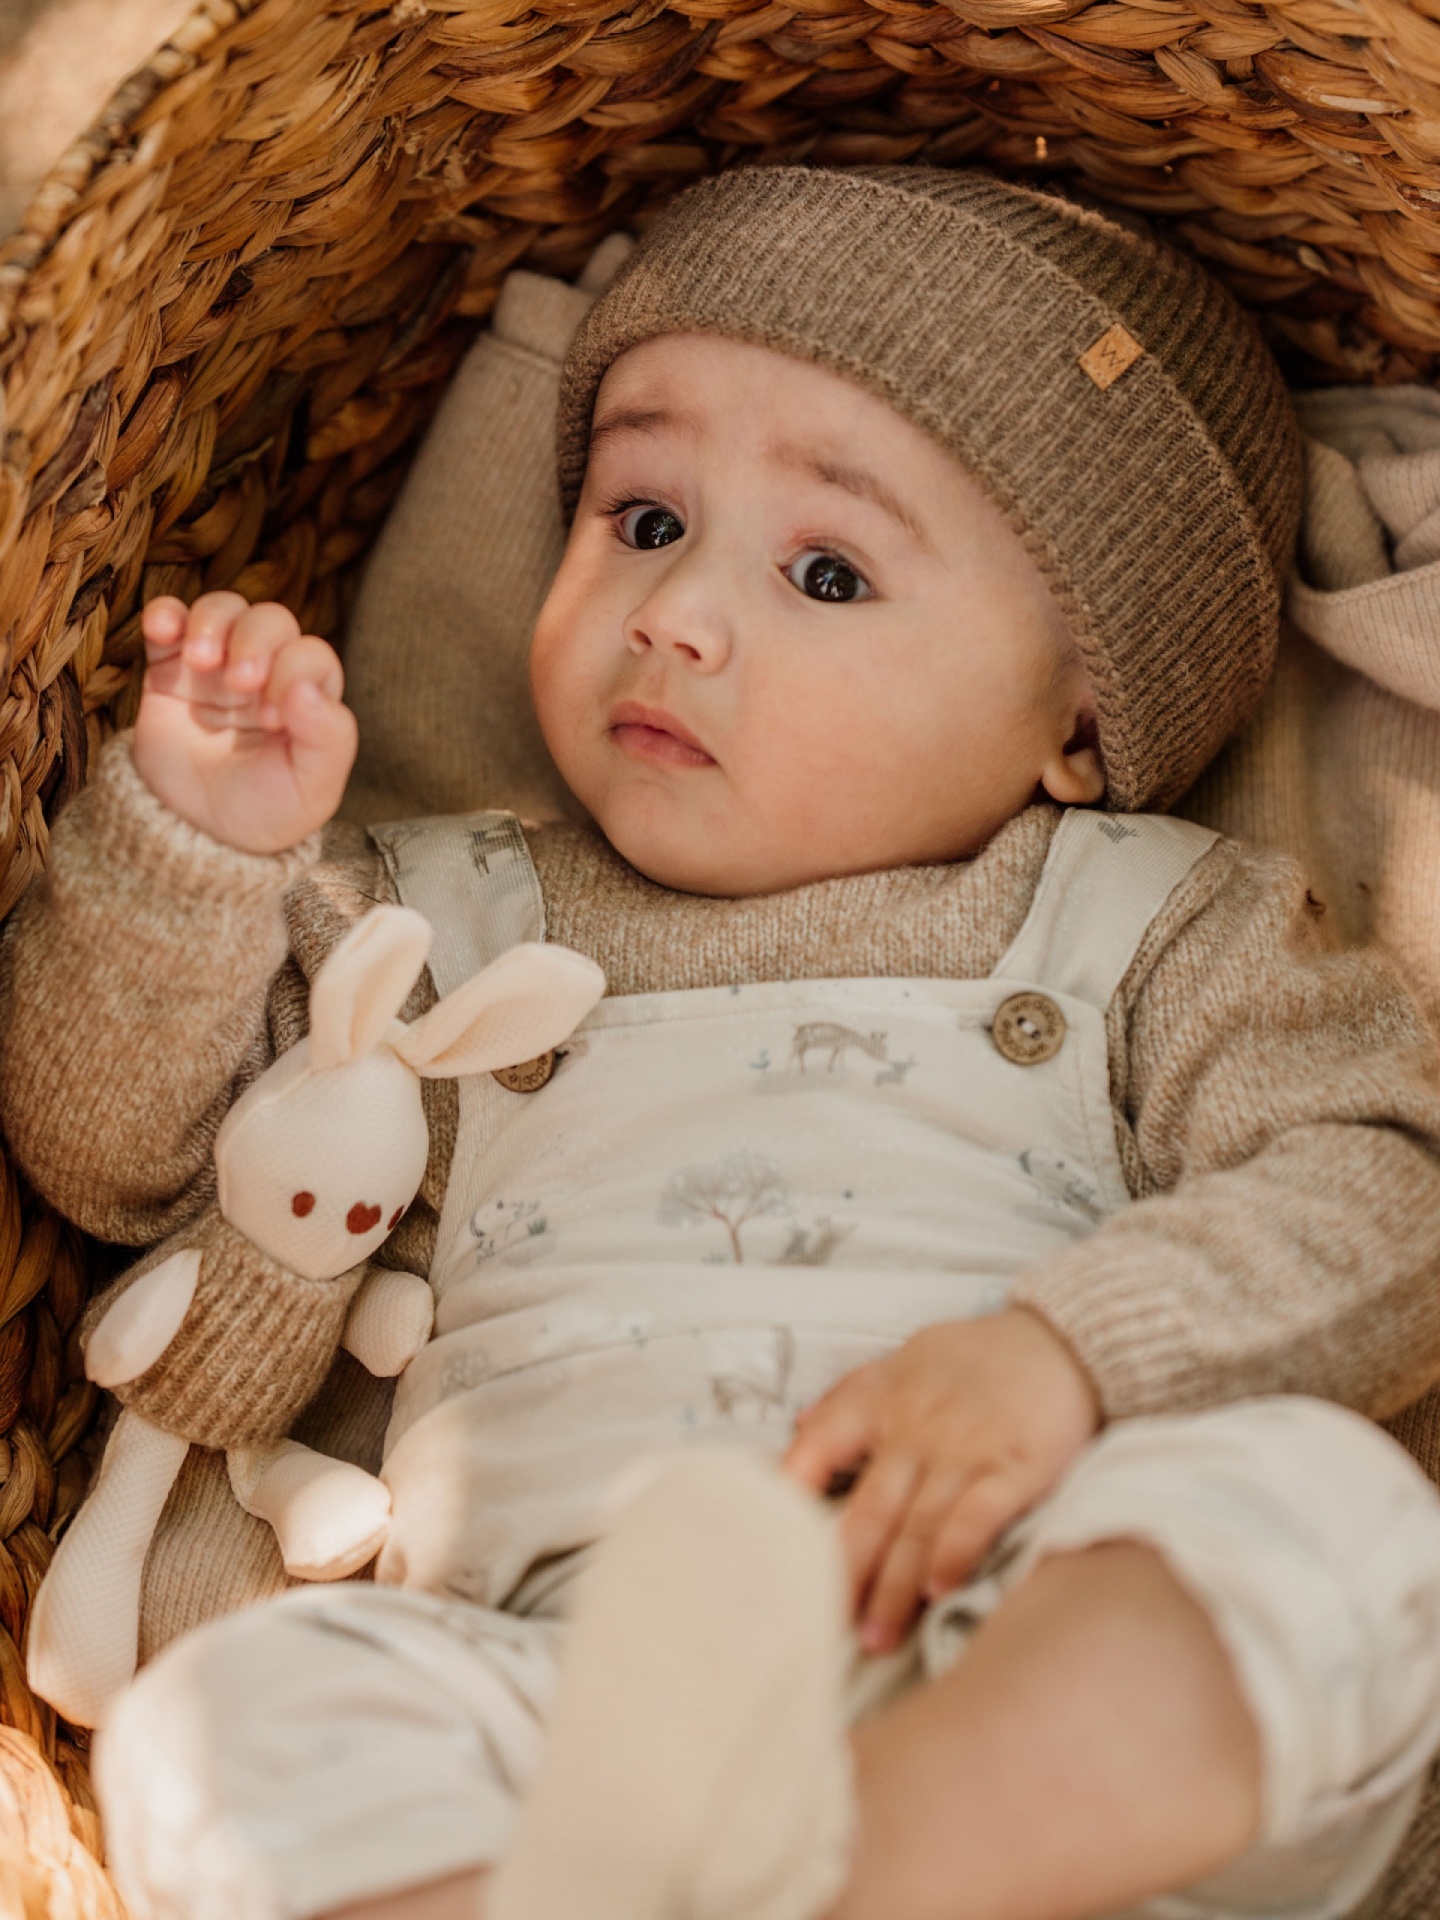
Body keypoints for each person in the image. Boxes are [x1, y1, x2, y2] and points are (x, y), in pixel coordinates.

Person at [7, 165, 1440, 1920]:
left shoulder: (1153, 921)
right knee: (218, 1729)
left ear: (1081, 722)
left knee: (1339, 1527)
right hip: (568, 1693)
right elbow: (126, 1162)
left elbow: (1383, 1193)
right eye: (642, 517)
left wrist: (1072, 1357)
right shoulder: (442, 916)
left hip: (1012, 1659)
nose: (673, 613)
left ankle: (877, 1874)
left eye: (828, 570)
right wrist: (196, 848)